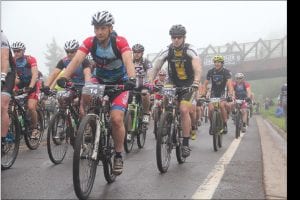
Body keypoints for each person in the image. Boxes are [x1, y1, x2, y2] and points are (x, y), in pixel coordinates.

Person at [56, 11, 136, 176]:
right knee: (85, 90)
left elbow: (128, 60)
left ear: (110, 28)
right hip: (98, 79)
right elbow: (76, 60)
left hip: (119, 82)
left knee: (116, 118)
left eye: (102, 28)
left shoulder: (120, 42)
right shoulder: (89, 42)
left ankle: (118, 155)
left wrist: (132, 78)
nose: (99, 32)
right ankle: (88, 121)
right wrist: (64, 77)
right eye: (96, 28)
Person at [149, 24, 202, 158]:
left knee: (184, 110)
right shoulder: (167, 50)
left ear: (184, 38)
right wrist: (149, 83)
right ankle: (166, 121)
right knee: (166, 101)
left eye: (179, 37)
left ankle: (185, 143)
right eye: (174, 37)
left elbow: (197, 67)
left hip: (189, 84)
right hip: (172, 83)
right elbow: (156, 66)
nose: (176, 40)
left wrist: (196, 82)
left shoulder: (190, 49)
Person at [42, 39, 92, 116]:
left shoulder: (84, 61)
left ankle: (86, 126)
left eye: (72, 51)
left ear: (77, 51)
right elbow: (54, 74)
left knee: (82, 110)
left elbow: (87, 74)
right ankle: (66, 120)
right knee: (61, 99)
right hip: (73, 87)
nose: (69, 54)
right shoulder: (63, 61)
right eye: (67, 51)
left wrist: (87, 86)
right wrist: (46, 86)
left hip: (83, 86)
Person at [11, 41, 41, 139]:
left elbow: (35, 74)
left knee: (31, 107)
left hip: (32, 85)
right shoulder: (12, 61)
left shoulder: (30, 59)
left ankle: (35, 128)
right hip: (20, 85)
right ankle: (16, 125)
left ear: (23, 51)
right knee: (9, 104)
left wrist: (31, 87)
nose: (16, 53)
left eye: (18, 51)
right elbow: (12, 77)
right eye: (14, 51)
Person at [202, 55, 234, 135]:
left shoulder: (226, 71)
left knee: (222, 105)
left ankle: (224, 124)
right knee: (210, 109)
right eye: (215, 62)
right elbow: (205, 84)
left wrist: (230, 94)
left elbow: (230, 84)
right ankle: (212, 125)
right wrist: (203, 94)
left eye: (219, 62)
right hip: (214, 92)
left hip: (223, 92)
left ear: (222, 63)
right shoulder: (210, 71)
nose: (217, 63)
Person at [1, 30, 16, 146]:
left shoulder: (2, 37)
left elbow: (4, 59)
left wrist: (3, 76)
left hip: (8, 72)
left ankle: (3, 139)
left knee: (3, 105)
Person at [132, 43, 153, 123]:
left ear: (142, 53)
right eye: (135, 52)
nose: (136, 54)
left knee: (145, 95)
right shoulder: (129, 61)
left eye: (138, 52)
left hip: (143, 84)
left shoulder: (146, 62)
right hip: (132, 84)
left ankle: (146, 113)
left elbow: (150, 73)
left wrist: (149, 81)